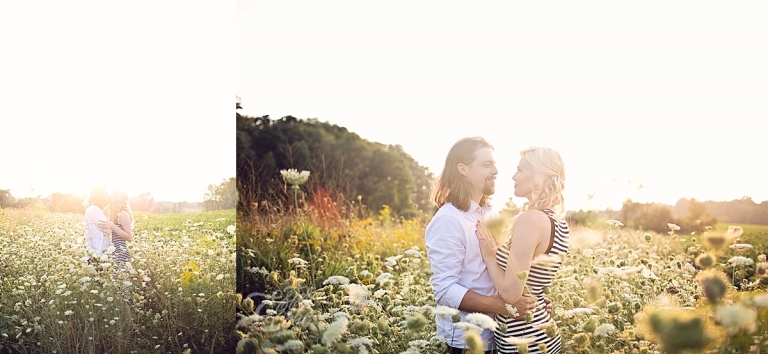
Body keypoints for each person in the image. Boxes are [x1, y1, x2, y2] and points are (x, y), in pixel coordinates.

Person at [425, 137, 538, 354]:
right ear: (463, 169)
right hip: (465, 339)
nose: (496, 170)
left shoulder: (490, 211)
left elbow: (499, 266)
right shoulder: (448, 220)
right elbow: (445, 290)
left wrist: (533, 300)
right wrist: (507, 308)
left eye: (495, 164)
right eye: (487, 165)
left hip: (498, 331)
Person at [476, 146, 569, 354]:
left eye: (520, 170)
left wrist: (491, 257)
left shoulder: (531, 219)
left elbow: (510, 293)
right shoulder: (558, 221)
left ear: (539, 175)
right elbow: (534, 282)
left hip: (524, 340)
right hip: (541, 331)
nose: (513, 176)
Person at [99, 189, 135, 302]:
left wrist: (113, 226)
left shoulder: (124, 214)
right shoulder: (115, 215)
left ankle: (128, 319)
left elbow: (129, 237)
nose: (110, 204)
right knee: (116, 288)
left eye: (113, 202)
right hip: (115, 254)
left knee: (123, 289)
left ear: (119, 202)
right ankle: (121, 315)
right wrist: (112, 214)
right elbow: (108, 227)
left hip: (122, 253)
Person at [84, 185, 111, 260]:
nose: (108, 196)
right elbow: (108, 229)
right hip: (96, 254)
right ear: (100, 195)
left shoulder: (93, 209)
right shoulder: (94, 210)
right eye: (106, 194)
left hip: (94, 253)